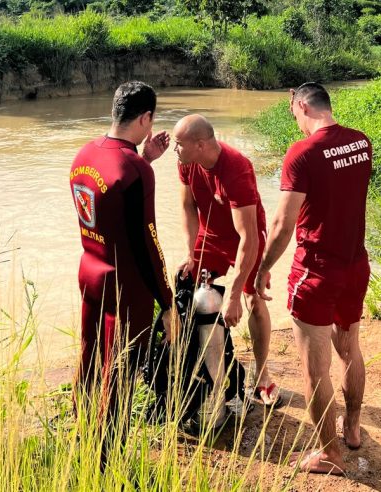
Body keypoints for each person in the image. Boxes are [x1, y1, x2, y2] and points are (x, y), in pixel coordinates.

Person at [255, 82, 372, 474]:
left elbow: (282, 224)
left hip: (316, 271)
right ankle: (352, 430)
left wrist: (262, 268)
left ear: (302, 104)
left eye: (293, 111)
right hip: (356, 264)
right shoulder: (360, 142)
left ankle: (330, 454)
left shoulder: (301, 153)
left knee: (314, 369)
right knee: (350, 349)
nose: (294, 119)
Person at [69, 81, 173, 429]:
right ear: (146, 118)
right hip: (124, 287)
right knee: (119, 372)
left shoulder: (84, 155)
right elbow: (148, 243)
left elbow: (110, 207)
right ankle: (107, 457)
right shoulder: (136, 171)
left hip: (90, 272)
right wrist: (167, 301)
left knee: (88, 356)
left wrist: (143, 158)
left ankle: (80, 432)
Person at [173, 114, 282, 407]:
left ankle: (262, 374)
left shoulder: (236, 168)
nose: (175, 150)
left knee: (253, 301)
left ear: (199, 145)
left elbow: (248, 237)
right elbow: (187, 207)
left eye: (178, 144)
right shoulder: (187, 162)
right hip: (210, 237)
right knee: (191, 290)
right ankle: (208, 371)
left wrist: (234, 294)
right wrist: (190, 253)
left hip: (245, 239)